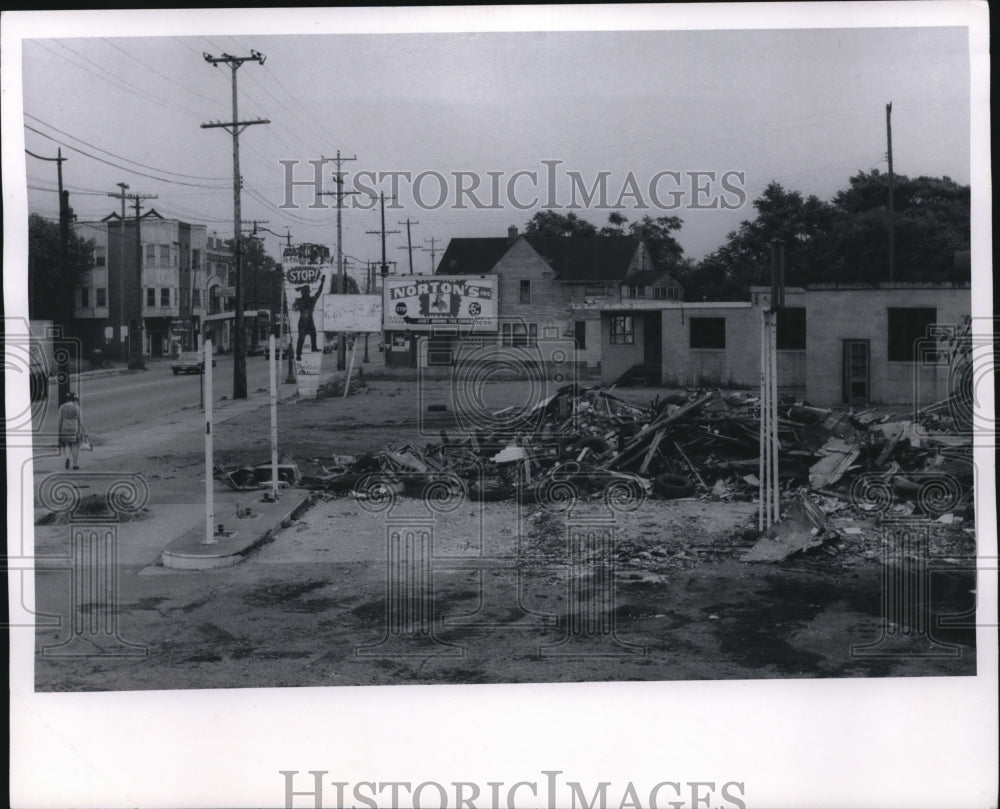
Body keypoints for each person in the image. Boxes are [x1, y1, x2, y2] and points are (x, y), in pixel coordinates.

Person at [293, 282, 323, 360]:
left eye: (306, 292)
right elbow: (319, 292)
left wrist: (296, 305)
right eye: (306, 292)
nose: (307, 294)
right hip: (305, 322)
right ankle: (300, 354)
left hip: (306, 322)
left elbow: (319, 292)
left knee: (311, 335)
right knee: (302, 338)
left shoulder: (302, 300)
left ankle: (311, 349)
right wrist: (322, 283)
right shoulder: (308, 300)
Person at [58, 392, 85, 470]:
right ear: (74, 399)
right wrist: (84, 431)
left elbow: (60, 420)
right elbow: (80, 421)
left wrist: (60, 431)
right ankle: (75, 464)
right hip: (74, 428)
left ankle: (67, 458)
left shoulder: (62, 407)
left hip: (64, 428)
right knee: (75, 446)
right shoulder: (77, 408)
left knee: (67, 444)